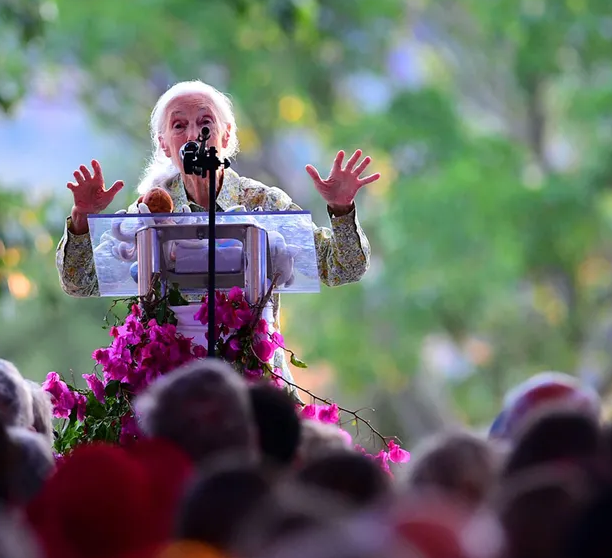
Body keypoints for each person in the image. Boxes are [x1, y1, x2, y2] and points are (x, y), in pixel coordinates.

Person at [56, 80, 379, 373]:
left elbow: (344, 268)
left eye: (205, 123)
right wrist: (82, 218)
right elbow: (80, 282)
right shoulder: (150, 210)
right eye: (179, 126)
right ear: (164, 144)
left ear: (226, 136)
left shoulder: (262, 202)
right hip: (172, 381)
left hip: (253, 377)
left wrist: (341, 209)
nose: (194, 135)